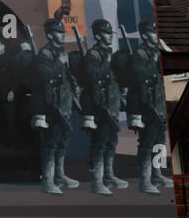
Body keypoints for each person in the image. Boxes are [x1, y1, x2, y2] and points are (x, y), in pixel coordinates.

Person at [81, 19, 125, 196]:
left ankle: (109, 176)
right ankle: (97, 182)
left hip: (111, 103)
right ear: (98, 35)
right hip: (98, 105)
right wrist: (109, 63)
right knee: (99, 143)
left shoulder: (108, 54)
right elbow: (92, 78)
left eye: (110, 33)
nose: (110, 36)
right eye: (106, 33)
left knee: (111, 142)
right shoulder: (93, 55)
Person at [33, 18, 77, 195]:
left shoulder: (60, 52)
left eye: (63, 31)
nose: (63, 33)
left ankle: (59, 175)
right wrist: (60, 62)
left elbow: (65, 75)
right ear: (50, 34)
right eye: (59, 32)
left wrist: (73, 83)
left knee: (62, 141)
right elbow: (45, 77)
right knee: (51, 143)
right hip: (52, 105)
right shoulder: (45, 54)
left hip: (64, 103)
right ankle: (48, 181)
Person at [127, 20, 169, 195]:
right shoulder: (141, 53)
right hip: (145, 105)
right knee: (147, 143)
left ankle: (158, 174)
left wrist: (164, 48)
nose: (156, 35)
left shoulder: (155, 51)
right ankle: (145, 181)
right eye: (153, 32)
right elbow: (140, 76)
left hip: (158, 102)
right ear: (145, 35)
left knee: (159, 142)